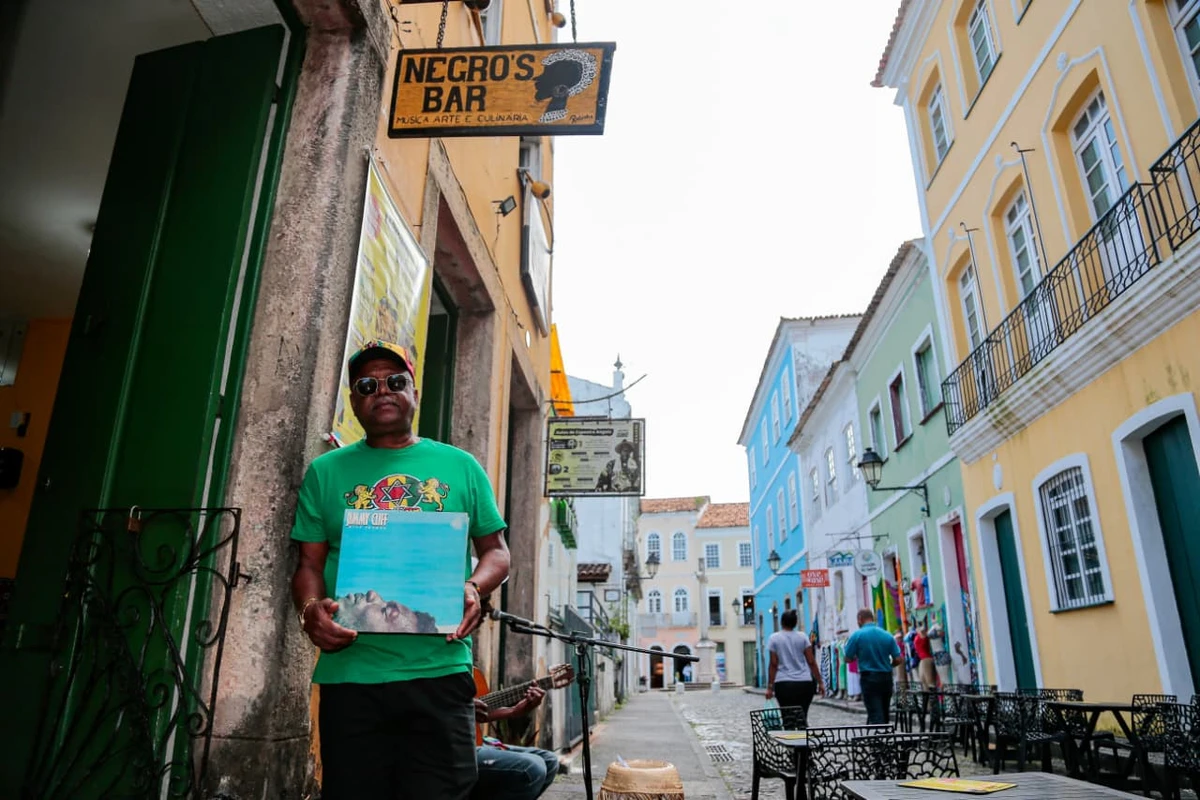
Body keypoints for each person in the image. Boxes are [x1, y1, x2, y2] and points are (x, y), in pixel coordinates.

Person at [291, 340, 511, 800]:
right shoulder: (325, 472)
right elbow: (308, 563)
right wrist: (310, 609)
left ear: (414, 392)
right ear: (353, 401)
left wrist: (473, 587)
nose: (382, 391)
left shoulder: (461, 467)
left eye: (395, 381)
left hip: (440, 669)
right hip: (350, 675)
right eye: (367, 385)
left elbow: (497, 552)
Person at [473, 685, 560, 800]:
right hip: (449, 747)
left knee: (550, 760)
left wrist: (513, 711)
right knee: (532, 767)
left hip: (474, 740)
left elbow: (478, 714)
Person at [843, 609, 902, 725]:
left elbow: (847, 658)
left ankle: (879, 739)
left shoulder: (857, 635)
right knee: (885, 711)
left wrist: (858, 656)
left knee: (875, 713)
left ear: (860, 619)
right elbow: (898, 659)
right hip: (886, 677)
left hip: (869, 677)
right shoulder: (887, 635)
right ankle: (886, 737)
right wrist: (888, 665)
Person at [764, 609, 825, 716]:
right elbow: (811, 661)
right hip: (804, 683)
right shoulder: (803, 637)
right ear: (795, 623)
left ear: (781, 622)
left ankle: (790, 732)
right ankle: (802, 731)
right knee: (802, 716)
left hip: (783, 684)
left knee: (788, 718)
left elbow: (773, 664)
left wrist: (770, 687)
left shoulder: (774, 639)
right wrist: (820, 682)